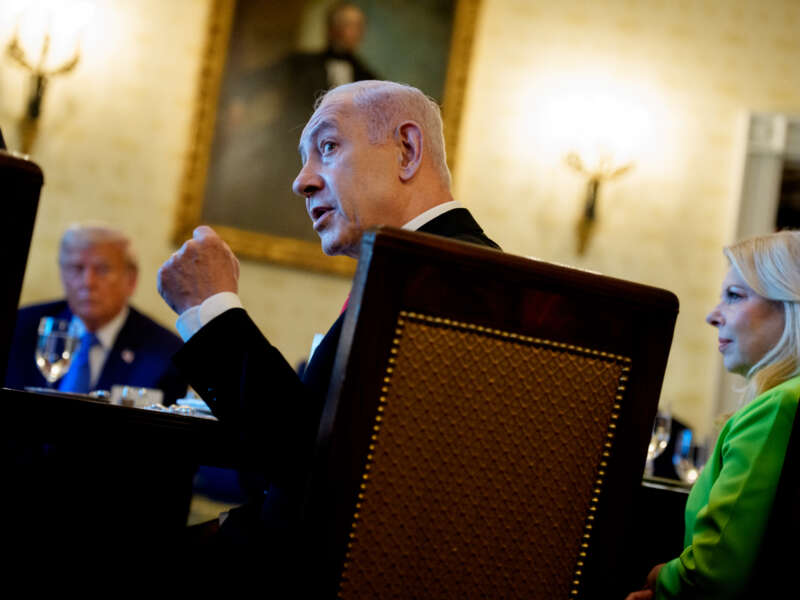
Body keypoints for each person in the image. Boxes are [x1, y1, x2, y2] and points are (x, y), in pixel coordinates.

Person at [158, 81, 499, 559]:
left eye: (329, 147)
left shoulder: (450, 279)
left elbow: (312, 463)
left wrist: (211, 308)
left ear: (406, 150)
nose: (302, 181)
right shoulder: (434, 268)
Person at [626, 230, 800, 599]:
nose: (712, 316)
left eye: (734, 296)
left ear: (791, 304)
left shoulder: (779, 406)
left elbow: (714, 574)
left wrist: (663, 580)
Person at [5, 223, 187, 404]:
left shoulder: (165, 352)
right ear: (62, 274)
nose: (88, 282)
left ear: (131, 280)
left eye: (102, 269)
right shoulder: (21, 326)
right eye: (77, 268)